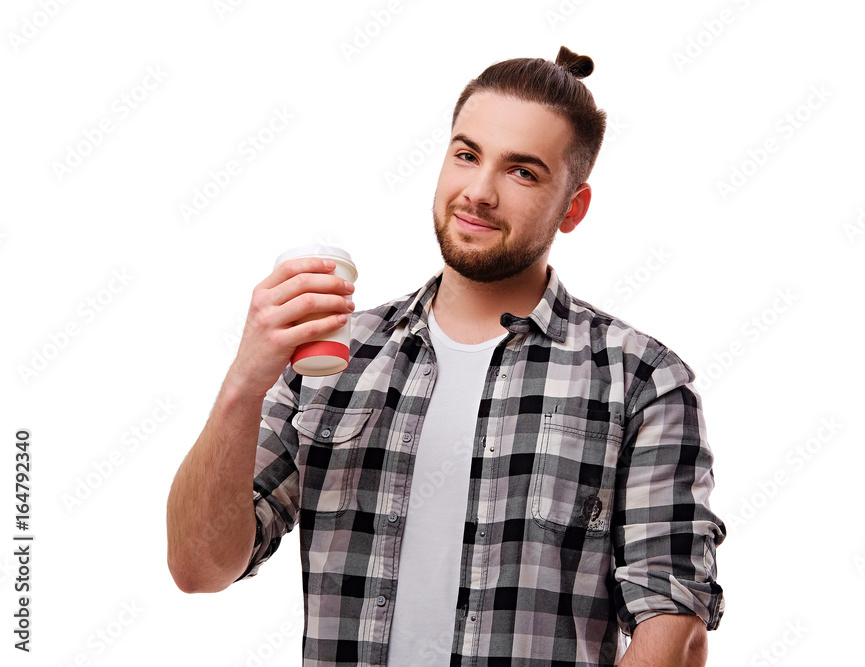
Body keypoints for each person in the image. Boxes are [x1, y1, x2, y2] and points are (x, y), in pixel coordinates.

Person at [166, 46, 725, 666]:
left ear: (573, 207)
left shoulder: (641, 381)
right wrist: (246, 379)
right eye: (466, 155)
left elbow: (674, 630)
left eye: (522, 172)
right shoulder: (337, 357)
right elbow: (200, 566)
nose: (478, 192)